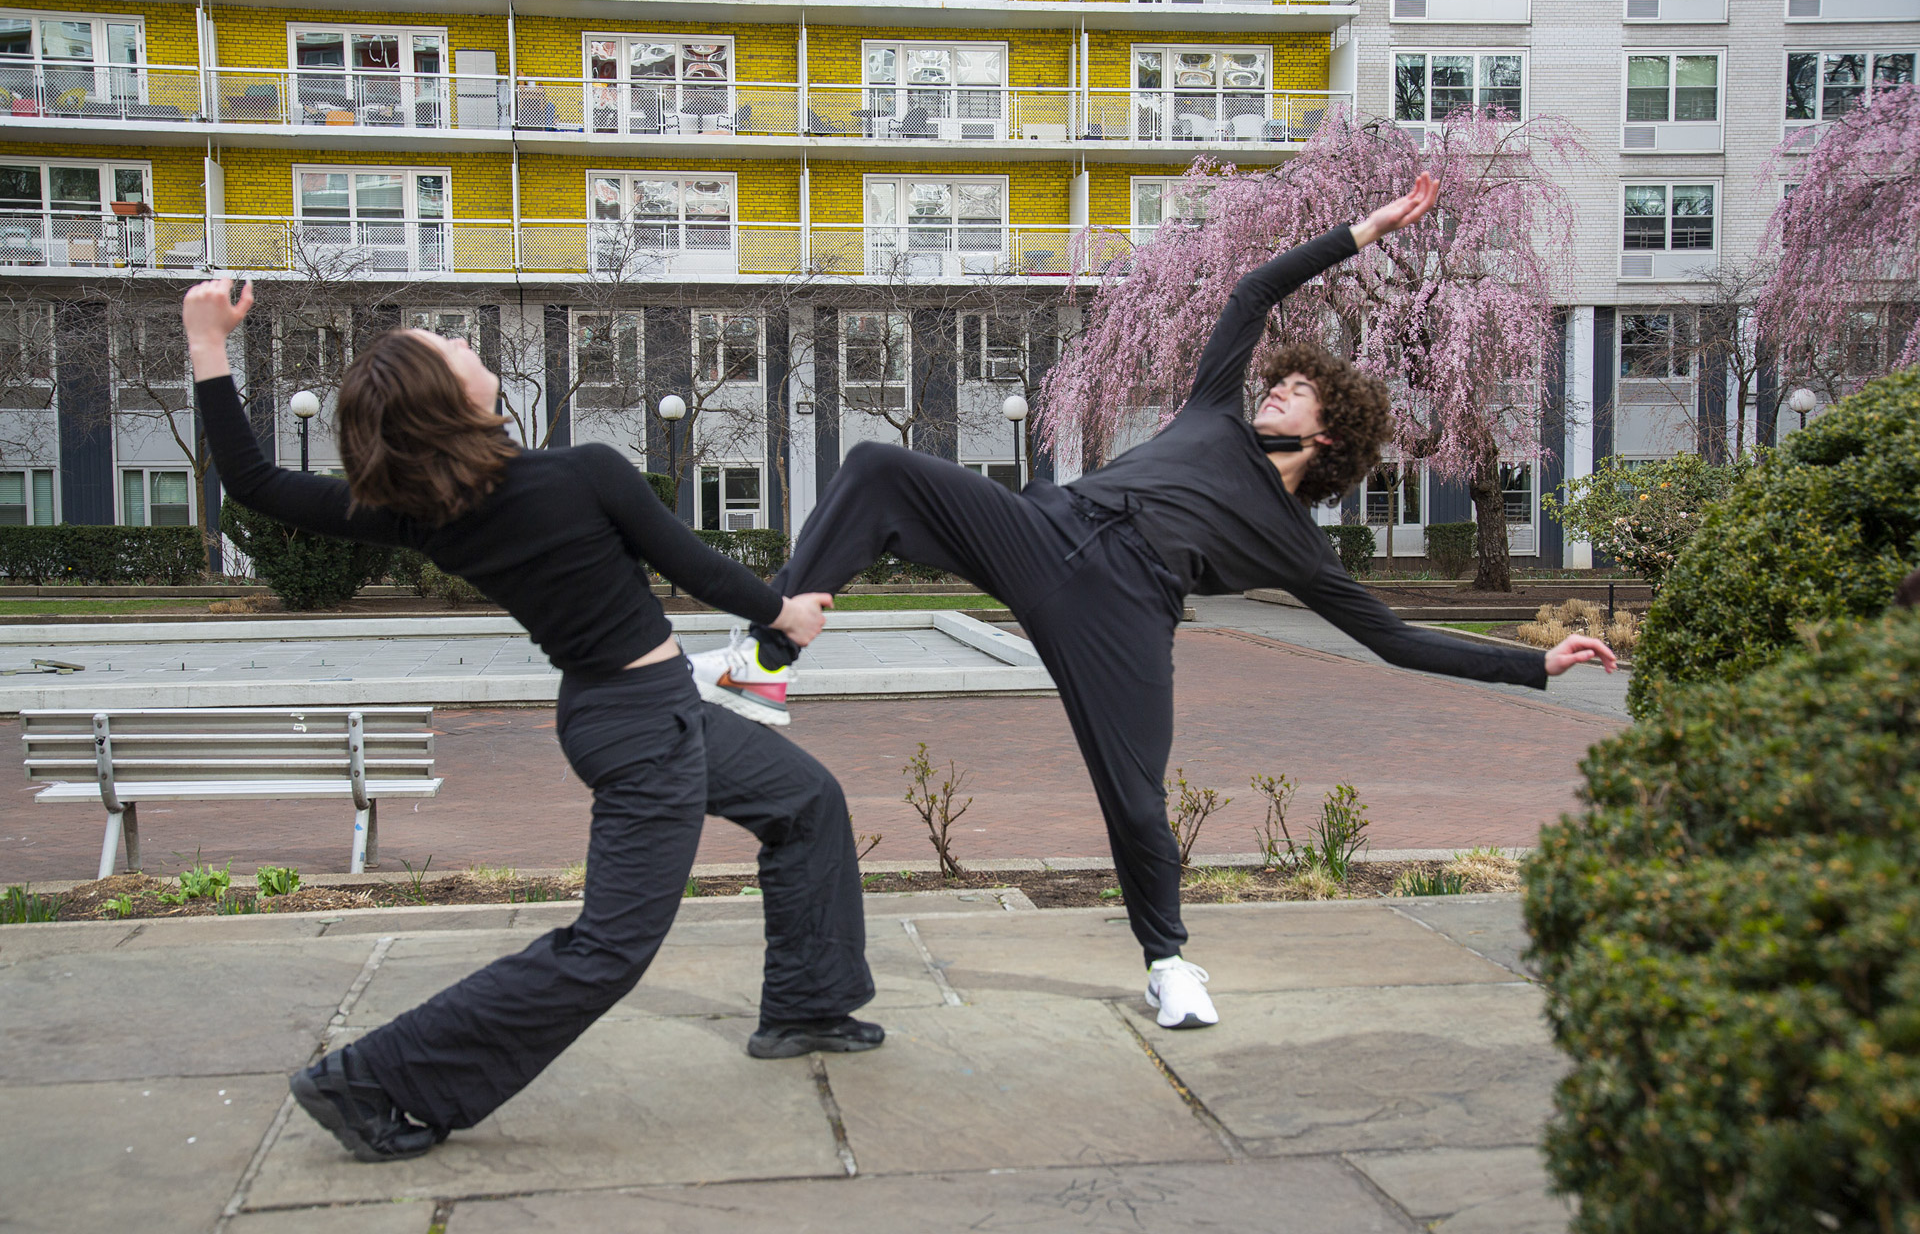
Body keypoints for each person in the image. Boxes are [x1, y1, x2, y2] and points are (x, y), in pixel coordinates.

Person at [691, 173, 1616, 1030]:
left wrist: (1533, 664)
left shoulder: (1297, 546)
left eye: (1300, 391)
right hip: (1049, 532)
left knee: (1135, 799)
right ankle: (769, 658)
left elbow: (1395, 639)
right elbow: (1252, 294)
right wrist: (1363, 231)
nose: (1281, 385)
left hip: (1125, 616)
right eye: (1284, 378)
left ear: (1328, 435)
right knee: (876, 469)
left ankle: (1169, 962)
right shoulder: (1217, 408)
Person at [182, 280, 880, 1165]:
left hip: (626, 715)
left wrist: (208, 346)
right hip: (643, 730)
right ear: (453, 398)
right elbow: (697, 568)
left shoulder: (424, 512)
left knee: (805, 800)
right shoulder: (581, 473)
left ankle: (809, 1006)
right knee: (607, 950)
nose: (468, 348)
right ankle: (370, 1080)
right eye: (451, 347)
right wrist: (784, 615)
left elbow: (255, 484)